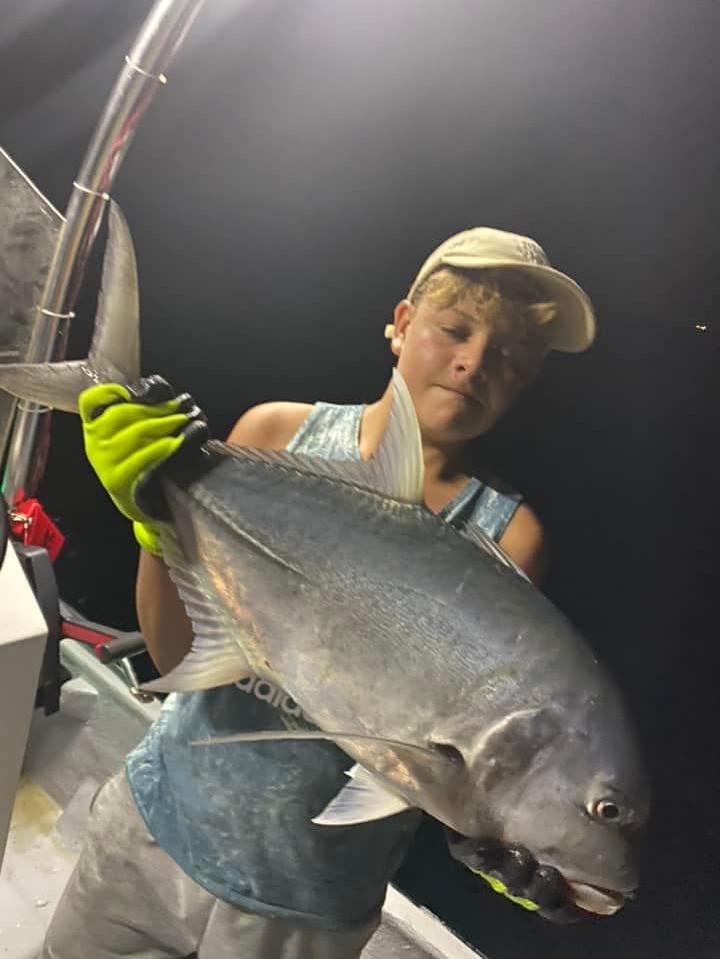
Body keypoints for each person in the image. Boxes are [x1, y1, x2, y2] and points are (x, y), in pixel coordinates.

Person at [43, 226, 596, 958]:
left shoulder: (506, 537)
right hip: (157, 826)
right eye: (453, 331)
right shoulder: (277, 434)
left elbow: (454, 744)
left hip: (309, 902)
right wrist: (156, 525)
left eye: (509, 356)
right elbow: (178, 650)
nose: (472, 364)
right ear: (400, 327)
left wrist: (508, 829)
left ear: (526, 379)